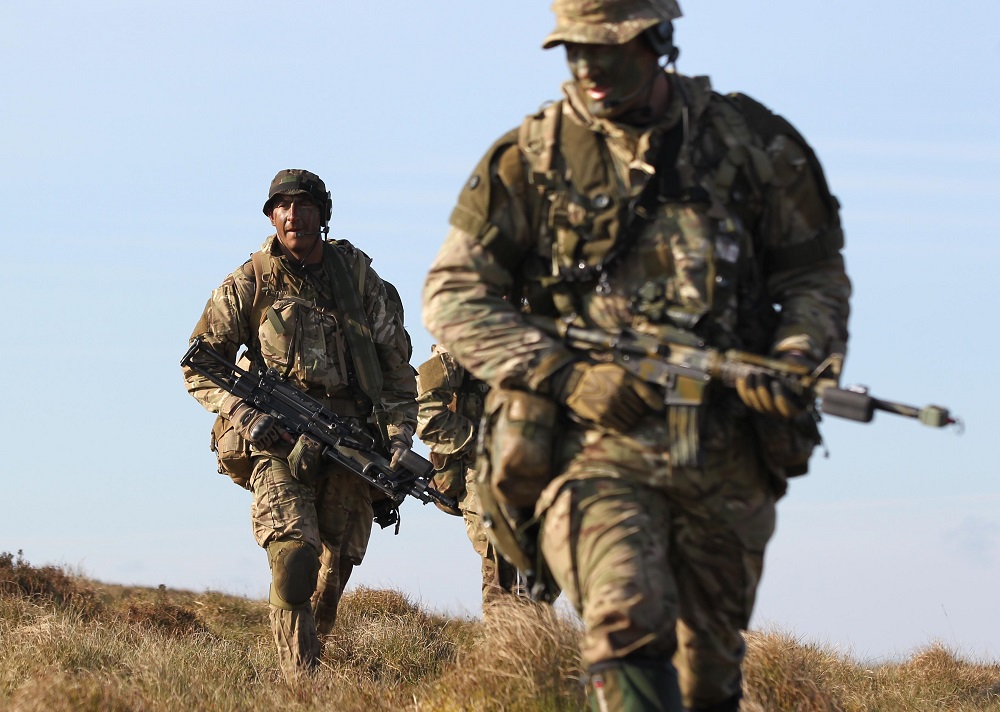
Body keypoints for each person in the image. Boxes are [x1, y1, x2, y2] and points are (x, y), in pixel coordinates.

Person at [422, 0, 851, 709]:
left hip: (724, 449)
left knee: (705, 674)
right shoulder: (531, 156)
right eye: (573, 50)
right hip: (589, 446)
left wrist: (797, 355)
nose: (587, 65)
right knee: (625, 618)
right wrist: (564, 374)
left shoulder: (751, 141)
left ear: (657, 41)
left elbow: (813, 275)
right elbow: (453, 292)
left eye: (607, 47)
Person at [183, 169, 417, 680]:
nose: (294, 215)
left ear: (322, 215)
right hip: (278, 442)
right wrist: (246, 414)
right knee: (293, 561)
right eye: (283, 206)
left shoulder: (356, 279)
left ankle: (314, 658)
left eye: (304, 205)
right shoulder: (251, 281)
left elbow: (397, 370)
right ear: (271, 216)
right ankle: (299, 685)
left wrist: (398, 441)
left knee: (334, 572)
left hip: (348, 442)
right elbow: (198, 364)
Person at [416, 344, 523, 607]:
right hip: (490, 482)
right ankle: (506, 648)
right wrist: (483, 444)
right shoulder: (462, 334)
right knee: (503, 592)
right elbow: (428, 417)